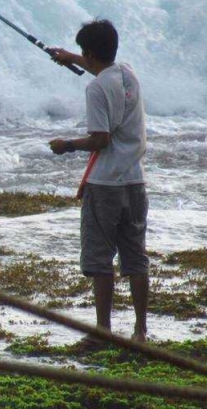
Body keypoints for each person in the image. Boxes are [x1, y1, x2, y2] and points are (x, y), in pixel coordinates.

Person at [48, 19, 149, 343]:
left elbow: (100, 139)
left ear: (89, 53)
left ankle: (103, 331)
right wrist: (72, 59)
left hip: (105, 185)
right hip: (135, 182)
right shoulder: (128, 74)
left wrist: (67, 146)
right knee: (135, 258)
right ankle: (140, 332)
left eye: (82, 53)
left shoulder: (95, 89)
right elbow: (104, 73)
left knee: (99, 259)